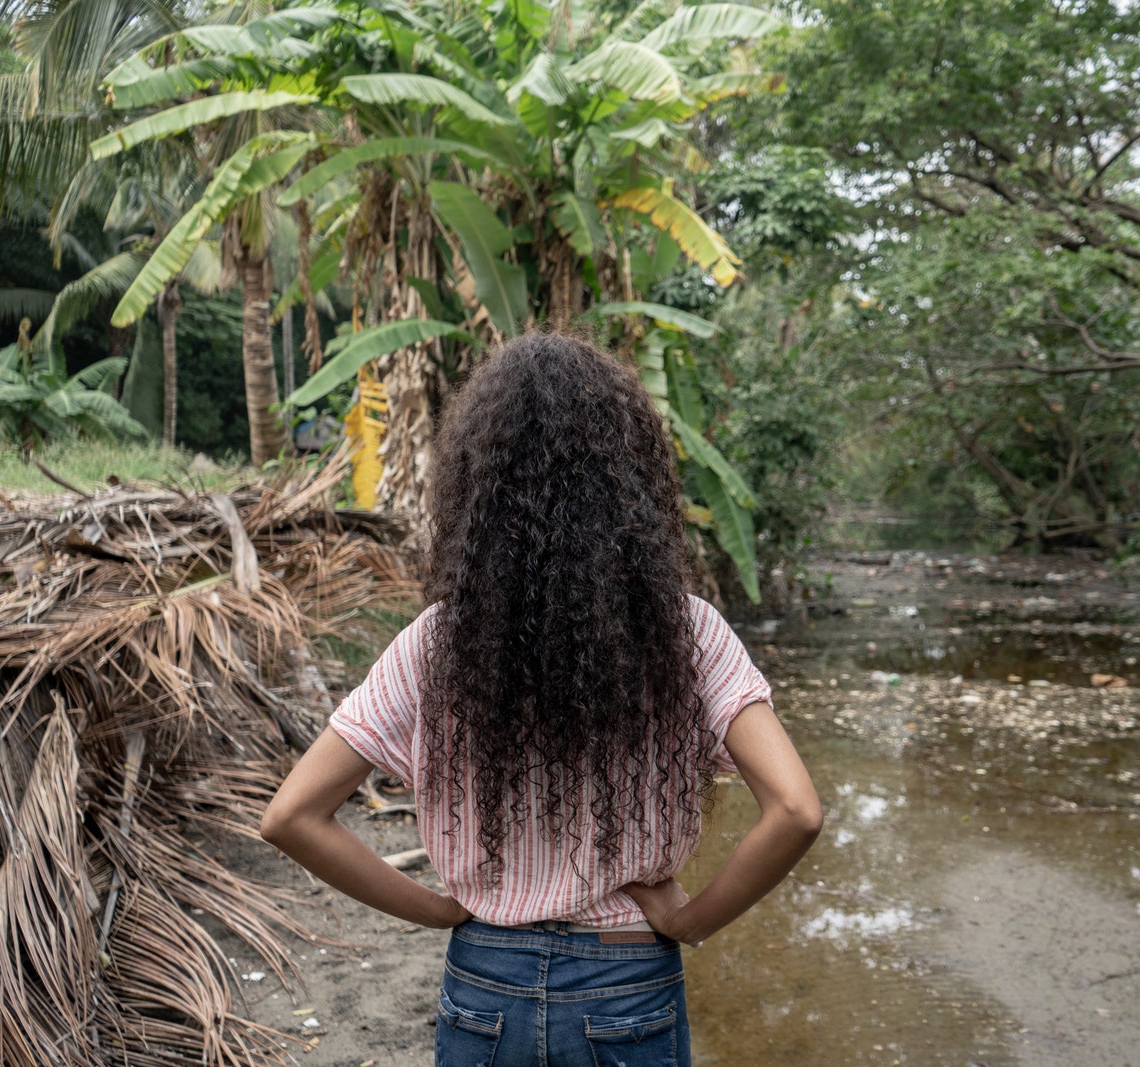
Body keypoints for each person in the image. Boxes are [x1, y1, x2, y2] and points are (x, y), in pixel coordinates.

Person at [260, 332, 822, 1067]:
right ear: (631, 480)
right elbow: (796, 809)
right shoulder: (689, 636)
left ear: (476, 489)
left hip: (485, 983)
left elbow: (291, 815)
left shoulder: (437, 643)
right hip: (629, 977)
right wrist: (690, 919)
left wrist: (436, 909)